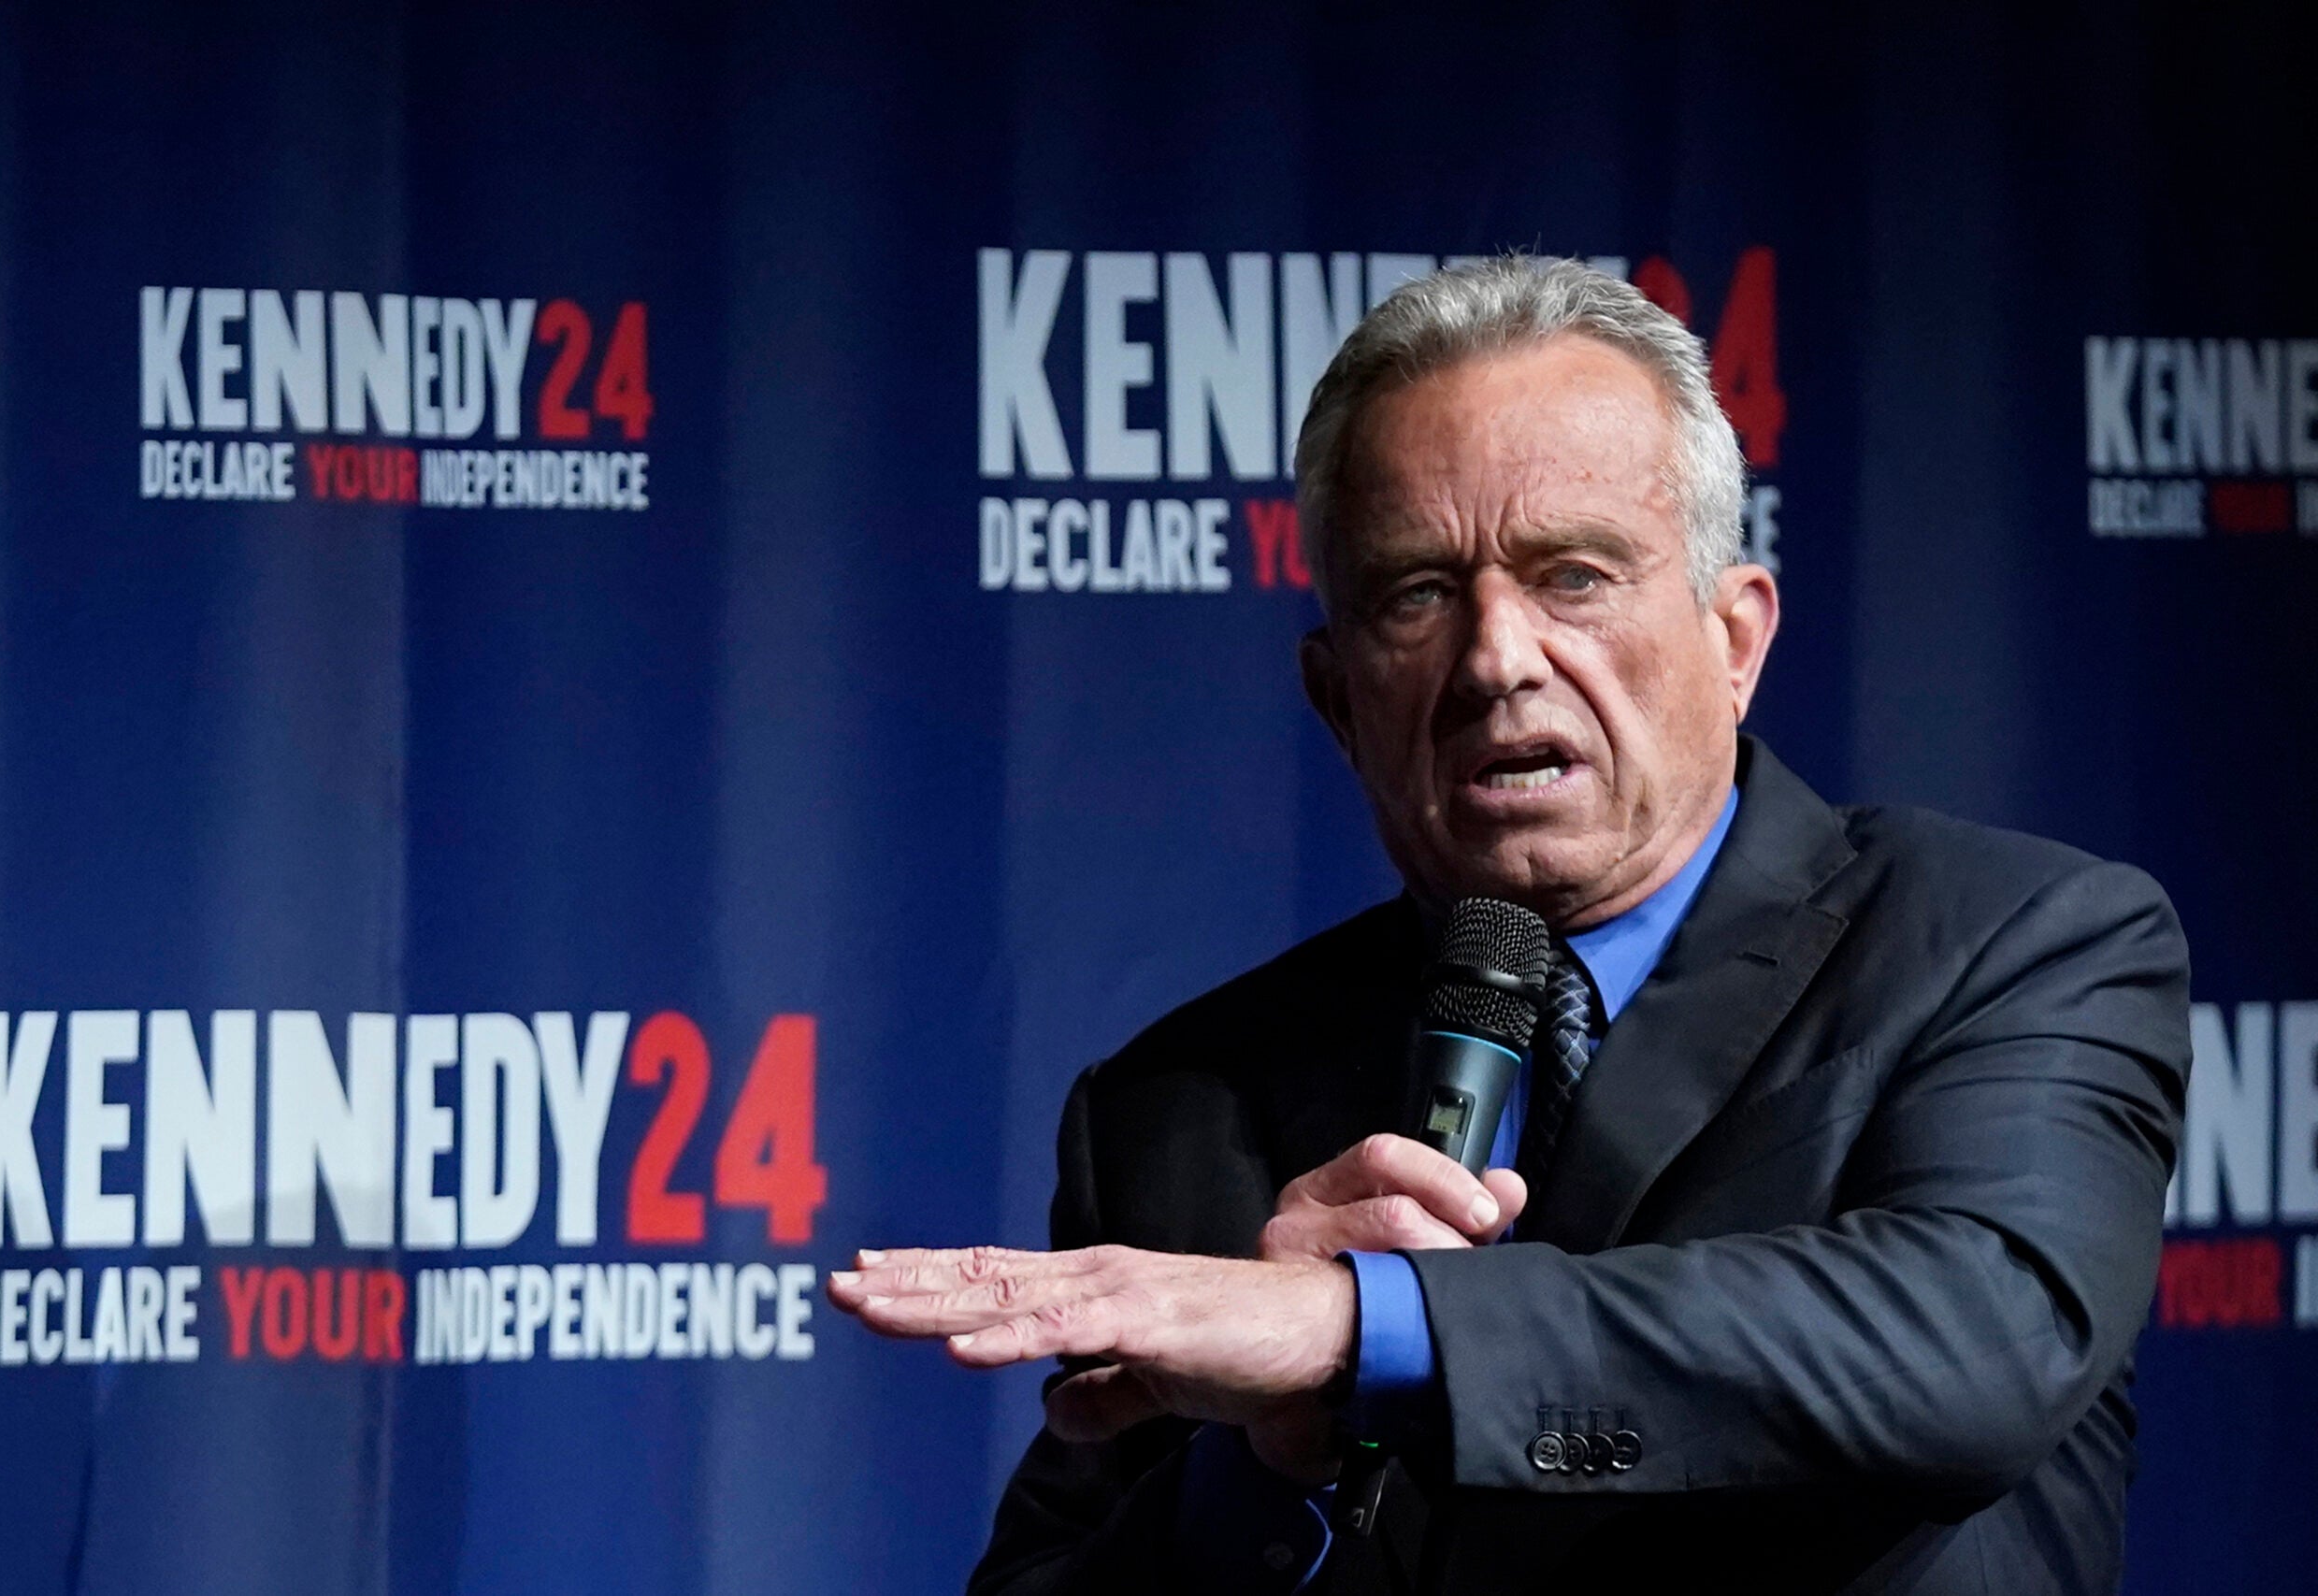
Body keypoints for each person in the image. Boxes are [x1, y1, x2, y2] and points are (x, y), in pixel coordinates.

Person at [829, 256, 2190, 1594]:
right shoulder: (1179, 1109)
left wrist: (1367, 1327)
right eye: (1419, 593)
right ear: (1336, 697)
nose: (1496, 656)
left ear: (1736, 637)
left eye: (1576, 575)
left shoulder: (2012, 943)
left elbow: (1981, 1345)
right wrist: (1268, 1463)